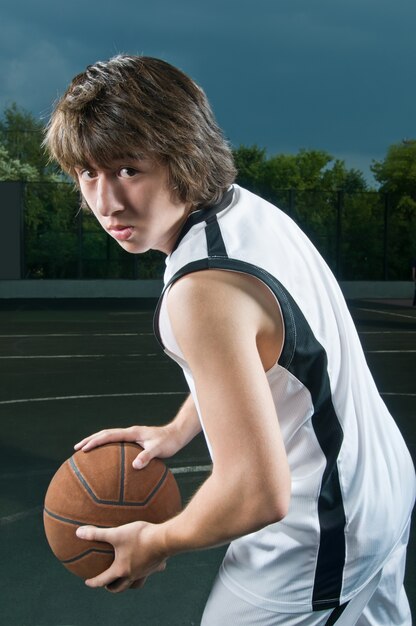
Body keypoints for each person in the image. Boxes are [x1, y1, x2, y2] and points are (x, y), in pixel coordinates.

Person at [44, 55, 415, 626]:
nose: (107, 202)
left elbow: (257, 493)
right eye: (88, 173)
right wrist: (178, 429)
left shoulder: (202, 291)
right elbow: (261, 353)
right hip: (379, 478)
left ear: (180, 156)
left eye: (127, 169)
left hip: (321, 527)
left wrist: (160, 540)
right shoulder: (246, 214)